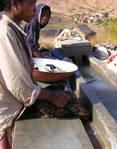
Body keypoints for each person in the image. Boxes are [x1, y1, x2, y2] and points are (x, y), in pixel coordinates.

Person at [0, 0, 71, 148]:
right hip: (8, 116)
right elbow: (19, 86)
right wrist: (52, 96)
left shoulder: (14, 30)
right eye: (31, 3)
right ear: (15, 4)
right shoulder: (5, 32)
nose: (35, 9)